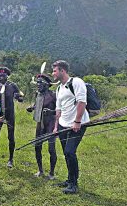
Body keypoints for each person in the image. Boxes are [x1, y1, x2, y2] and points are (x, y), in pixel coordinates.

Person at [52, 60, 89, 194]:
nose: (53, 73)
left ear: (62, 71)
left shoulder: (76, 82)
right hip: (63, 124)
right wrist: (56, 126)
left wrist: (77, 121)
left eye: (55, 70)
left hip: (77, 124)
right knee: (66, 153)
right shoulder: (59, 88)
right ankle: (69, 179)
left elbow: (82, 101)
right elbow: (58, 109)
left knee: (69, 152)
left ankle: (74, 184)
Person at [0, 67, 24, 168]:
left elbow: (21, 98)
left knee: (11, 137)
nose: (1, 77)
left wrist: (19, 97)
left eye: (3, 76)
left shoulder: (13, 86)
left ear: (7, 76)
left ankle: (10, 160)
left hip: (10, 115)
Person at [26, 74, 57, 179]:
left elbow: (60, 110)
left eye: (41, 83)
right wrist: (32, 108)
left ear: (47, 85)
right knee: (37, 147)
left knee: (51, 149)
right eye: (37, 82)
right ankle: (40, 170)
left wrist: (51, 111)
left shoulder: (53, 95)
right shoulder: (38, 95)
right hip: (40, 124)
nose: (38, 85)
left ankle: (52, 173)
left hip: (51, 125)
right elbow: (37, 105)